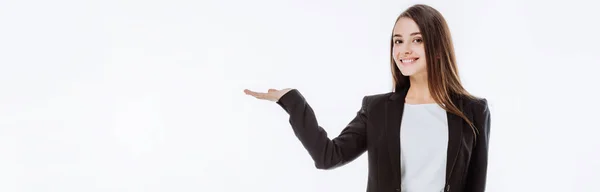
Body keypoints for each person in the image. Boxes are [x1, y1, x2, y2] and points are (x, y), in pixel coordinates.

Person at [244, 4, 491, 192]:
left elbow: (475, 184)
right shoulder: (377, 109)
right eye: (398, 41)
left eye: (417, 40)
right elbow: (328, 156)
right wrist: (292, 102)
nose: (404, 49)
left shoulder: (473, 110)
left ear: (438, 48)